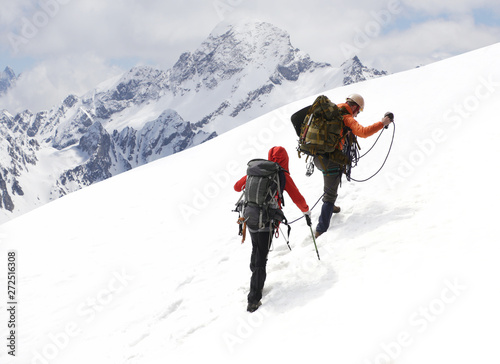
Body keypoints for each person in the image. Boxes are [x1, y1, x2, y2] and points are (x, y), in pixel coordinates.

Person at [234, 146, 311, 312]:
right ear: (285, 160)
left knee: (256, 249)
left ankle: (255, 276)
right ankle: (253, 299)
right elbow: (297, 197)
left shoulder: (257, 171)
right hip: (266, 221)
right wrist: (306, 211)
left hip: (249, 217)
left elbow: (236, 186)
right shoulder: (281, 174)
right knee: (261, 256)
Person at [313, 94, 392, 238]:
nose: (357, 115)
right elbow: (363, 132)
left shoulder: (334, 110)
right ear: (354, 107)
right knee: (330, 193)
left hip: (317, 156)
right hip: (329, 160)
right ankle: (321, 230)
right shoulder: (346, 118)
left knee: (332, 181)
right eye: (358, 111)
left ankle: (331, 207)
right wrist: (383, 123)